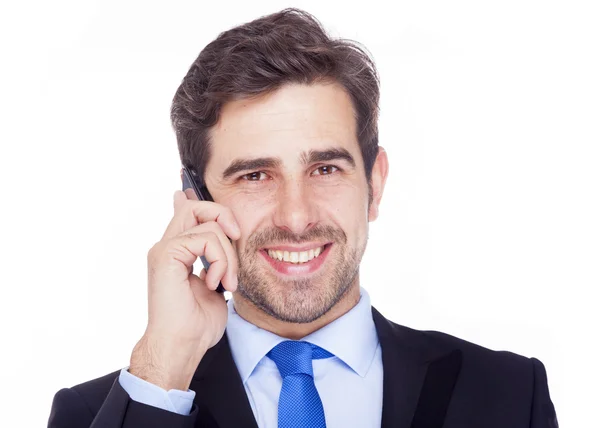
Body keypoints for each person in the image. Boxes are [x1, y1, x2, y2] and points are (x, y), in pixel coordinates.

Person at [47, 8, 558, 428]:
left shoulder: (510, 396)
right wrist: (163, 366)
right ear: (196, 199)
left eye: (325, 168)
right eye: (255, 176)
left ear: (374, 185)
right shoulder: (104, 412)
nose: (296, 217)